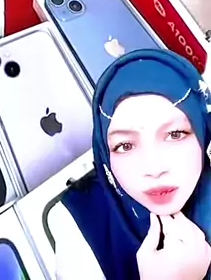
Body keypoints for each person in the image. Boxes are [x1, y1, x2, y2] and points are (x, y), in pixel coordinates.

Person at [62, 49, 211, 280]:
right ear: (104, 152)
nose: (153, 168)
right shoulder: (78, 226)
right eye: (125, 146)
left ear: (203, 132)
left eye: (175, 134)